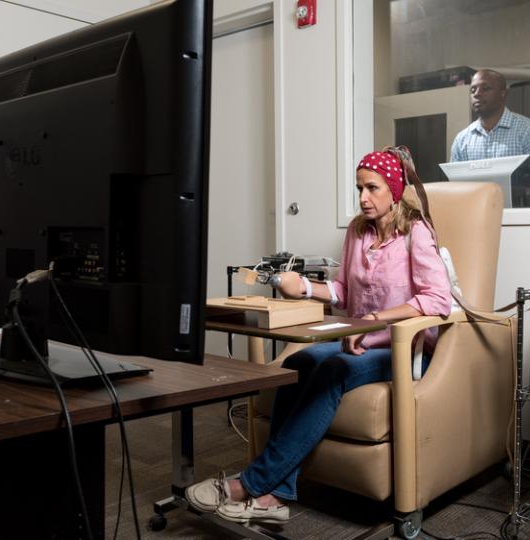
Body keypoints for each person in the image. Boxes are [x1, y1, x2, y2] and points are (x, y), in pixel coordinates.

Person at [185, 147, 452, 524]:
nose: (363, 197)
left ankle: (251, 484)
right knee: (298, 362)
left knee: (333, 371)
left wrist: (374, 319)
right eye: (359, 188)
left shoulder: (416, 233)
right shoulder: (358, 232)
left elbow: (437, 299)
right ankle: (276, 496)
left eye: (372, 188)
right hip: (356, 339)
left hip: (400, 348)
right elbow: (343, 291)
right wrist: (305, 289)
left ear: (393, 189)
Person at [450, 69, 530, 207]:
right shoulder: (462, 140)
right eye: (473, 90)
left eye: (485, 88)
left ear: (503, 94)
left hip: (519, 223)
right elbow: (454, 193)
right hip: (476, 223)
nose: (477, 94)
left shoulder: (529, 131)